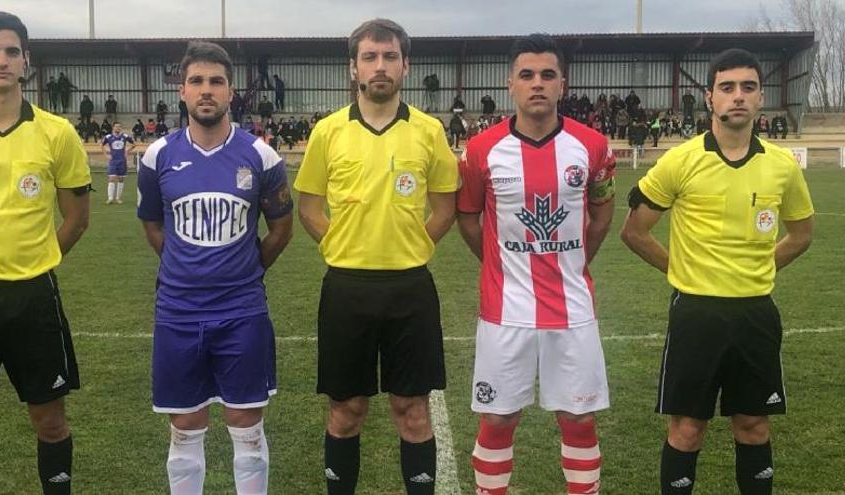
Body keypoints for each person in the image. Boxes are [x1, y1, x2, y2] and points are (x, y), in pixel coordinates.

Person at [620, 48, 814, 495]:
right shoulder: (680, 161)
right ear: (709, 98)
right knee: (688, 428)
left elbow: (801, 234)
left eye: (748, 87)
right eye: (727, 88)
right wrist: (685, 270)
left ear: (761, 97)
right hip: (696, 315)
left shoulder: (783, 167)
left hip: (755, 316)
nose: (738, 96)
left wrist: (760, 270)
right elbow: (635, 232)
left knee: (753, 425)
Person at [293, 18, 458, 495]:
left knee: (413, 409)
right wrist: (340, 241)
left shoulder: (429, 131)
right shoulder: (328, 132)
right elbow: (308, 206)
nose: (380, 66)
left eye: (389, 57)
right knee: (346, 411)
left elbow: (446, 206)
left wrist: (413, 243)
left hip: (411, 288)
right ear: (354, 68)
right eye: (370, 57)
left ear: (405, 65)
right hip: (346, 288)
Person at [457, 33, 615, 495]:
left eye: (548, 75)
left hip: (573, 309)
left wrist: (575, 261)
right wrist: (498, 264)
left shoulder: (592, 147)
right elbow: (468, 218)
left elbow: (602, 212)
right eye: (527, 75)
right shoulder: (482, 151)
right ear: (511, 84)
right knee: (499, 416)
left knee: (579, 416)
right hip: (505, 311)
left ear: (562, 84)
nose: (537, 84)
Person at [137, 40, 293, 495]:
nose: (207, 90)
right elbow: (151, 224)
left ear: (231, 92)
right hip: (178, 311)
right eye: (197, 81)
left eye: (216, 82)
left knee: (246, 421)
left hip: (241, 310)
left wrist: (245, 271)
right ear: (182, 91)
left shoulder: (261, 156)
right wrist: (183, 267)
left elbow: (281, 229)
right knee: (185, 424)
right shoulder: (157, 156)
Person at [0, 12, 91, 495]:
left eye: (12, 51)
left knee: (50, 421)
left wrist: (38, 258)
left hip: (34, 298)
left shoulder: (56, 132)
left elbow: (76, 218)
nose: (2, 60)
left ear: (27, 63)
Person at [101, 121, 135, 204]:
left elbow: (134, 144)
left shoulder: (125, 136)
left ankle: (118, 198)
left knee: (121, 179)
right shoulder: (108, 137)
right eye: (116, 126)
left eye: (119, 126)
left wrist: (127, 151)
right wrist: (106, 155)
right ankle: (110, 198)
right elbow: (101, 145)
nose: (118, 128)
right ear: (113, 128)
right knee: (111, 178)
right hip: (113, 161)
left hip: (122, 161)